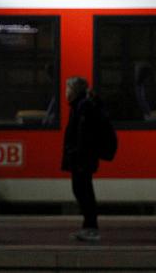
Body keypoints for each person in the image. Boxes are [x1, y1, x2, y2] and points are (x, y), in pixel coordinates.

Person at [62, 76, 101, 242]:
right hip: (81, 158)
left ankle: (91, 228)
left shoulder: (83, 107)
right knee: (82, 190)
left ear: (74, 91)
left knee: (83, 191)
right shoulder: (80, 106)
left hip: (82, 159)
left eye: (68, 88)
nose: (65, 92)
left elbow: (83, 136)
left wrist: (77, 155)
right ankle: (88, 227)